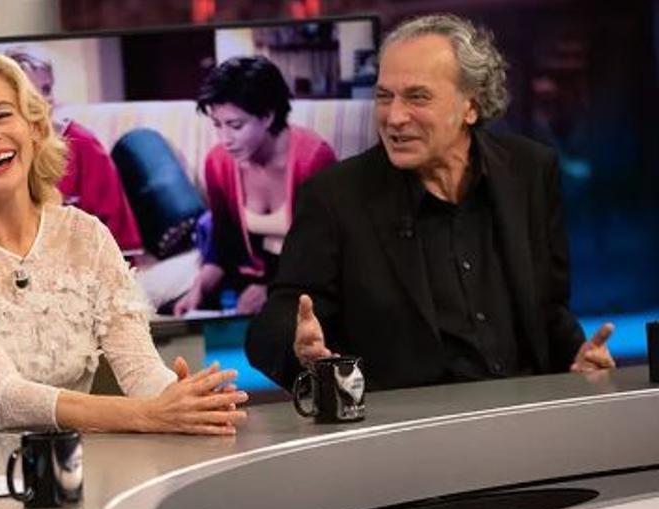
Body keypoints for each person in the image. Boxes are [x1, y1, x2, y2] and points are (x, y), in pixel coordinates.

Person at [0, 48, 247, 461]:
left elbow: (140, 369)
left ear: (35, 127)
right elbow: (3, 398)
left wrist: (185, 401)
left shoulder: (86, 237)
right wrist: (147, 414)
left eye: (2, 115)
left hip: (71, 465)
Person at [246, 14, 615, 392]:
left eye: (417, 97)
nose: (394, 117)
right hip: (409, 421)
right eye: (384, 96)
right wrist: (297, 350)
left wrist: (577, 360)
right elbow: (273, 324)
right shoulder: (334, 197)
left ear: (471, 105)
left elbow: (548, 310)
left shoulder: (530, 172)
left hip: (527, 409)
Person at [174, 56, 337, 316]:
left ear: (268, 116)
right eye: (217, 125)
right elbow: (223, 248)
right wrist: (199, 287)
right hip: (243, 290)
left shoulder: (313, 160)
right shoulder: (218, 162)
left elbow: (325, 255)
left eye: (235, 125)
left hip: (307, 289)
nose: (224, 139)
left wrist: (272, 289)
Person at [3, 46, 146, 254]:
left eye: (46, 89)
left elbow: (117, 230)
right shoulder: (1, 149)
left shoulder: (82, 143)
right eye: (31, 93)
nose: (44, 101)